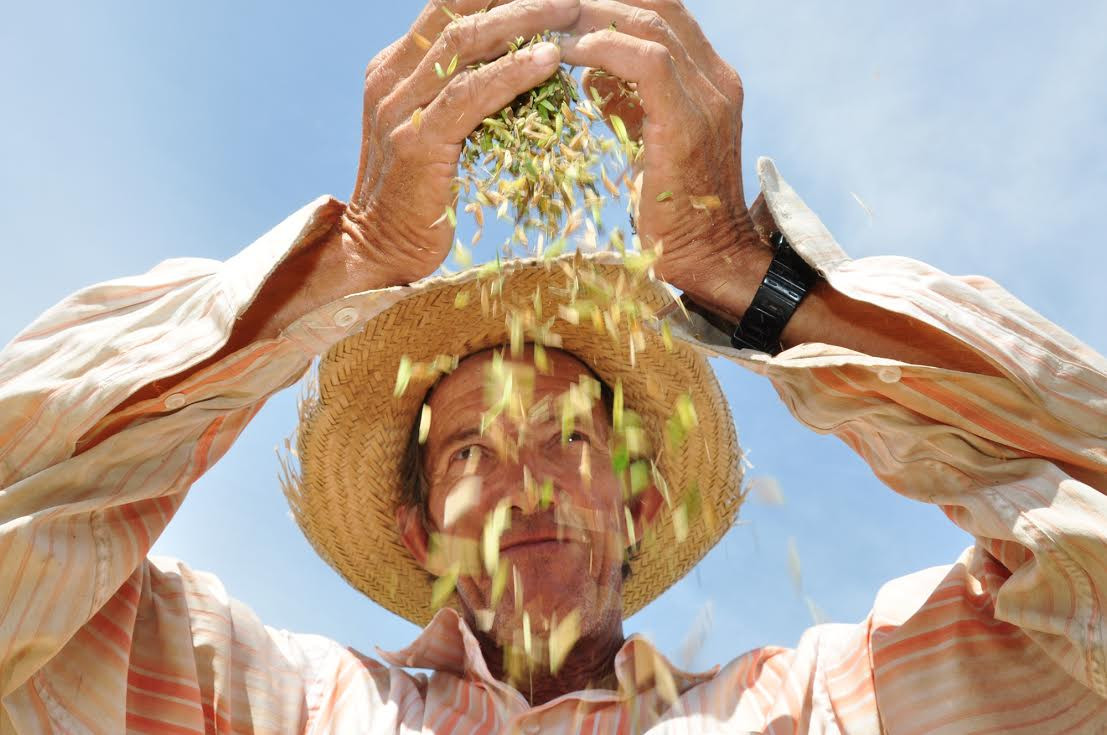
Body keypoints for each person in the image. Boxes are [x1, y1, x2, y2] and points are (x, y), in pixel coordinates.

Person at [1, 0, 1105, 732]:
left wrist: (744, 269)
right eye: (471, 447)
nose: (525, 480)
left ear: (642, 498)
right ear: (418, 531)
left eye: (572, 437)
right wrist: (356, 255)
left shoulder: (801, 708)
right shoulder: (282, 703)